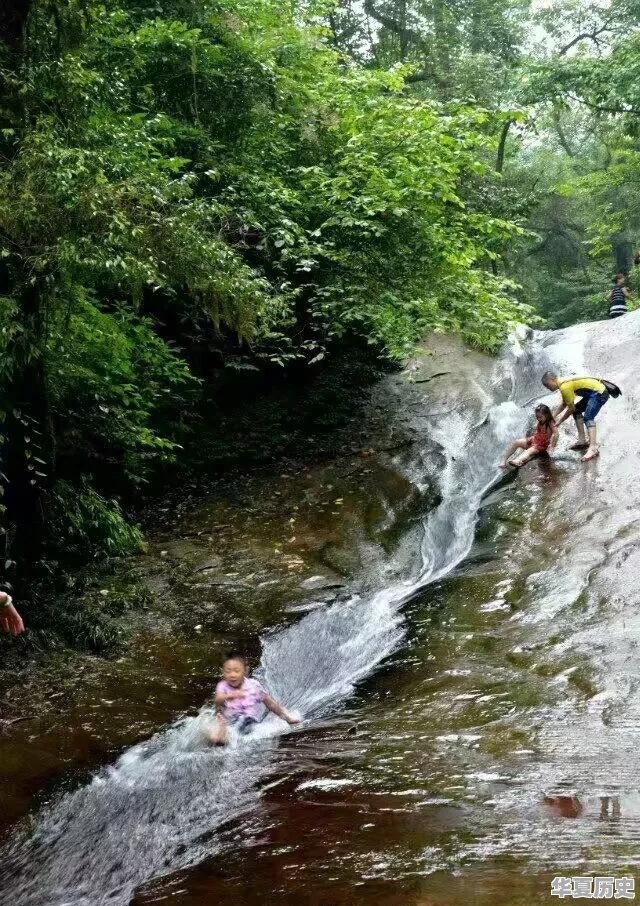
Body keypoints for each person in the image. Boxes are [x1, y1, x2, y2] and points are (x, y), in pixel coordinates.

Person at [208, 653, 300, 745]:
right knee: (215, 738)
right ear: (223, 672)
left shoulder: (254, 686)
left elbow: (270, 704)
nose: (232, 675)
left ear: (245, 671)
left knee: (255, 730)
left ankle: (224, 734)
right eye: (228, 671)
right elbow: (218, 699)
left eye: (236, 671)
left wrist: (287, 718)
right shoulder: (223, 686)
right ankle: (221, 730)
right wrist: (229, 695)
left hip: (250, 721)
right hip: (231, 721)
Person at [541, 372, 609, 462]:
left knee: (588, 417)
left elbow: (571, 408)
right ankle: (582, 441)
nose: (547, 388)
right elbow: (565, 403)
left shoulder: (564, 387)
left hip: (599, 393)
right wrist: (552, 416)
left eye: (547, 385)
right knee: (577, 411)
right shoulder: (562, 383)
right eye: (545, 386)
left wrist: (559, 422)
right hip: (594, 393)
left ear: (553, 380)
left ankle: (593, 448)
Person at [501, 403, 558, 468]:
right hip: (534, 440)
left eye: (540, 417)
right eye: (537, 417)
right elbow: (537, 432)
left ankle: (518, 461)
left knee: (529, 452)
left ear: (547, 415)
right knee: (517, 442)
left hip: (540, 446)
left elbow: (556, 434)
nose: (538, 419)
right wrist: (530, 438)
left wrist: (552, 446)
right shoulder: (541, 421)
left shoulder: (550, 422)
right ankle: (503, 460)